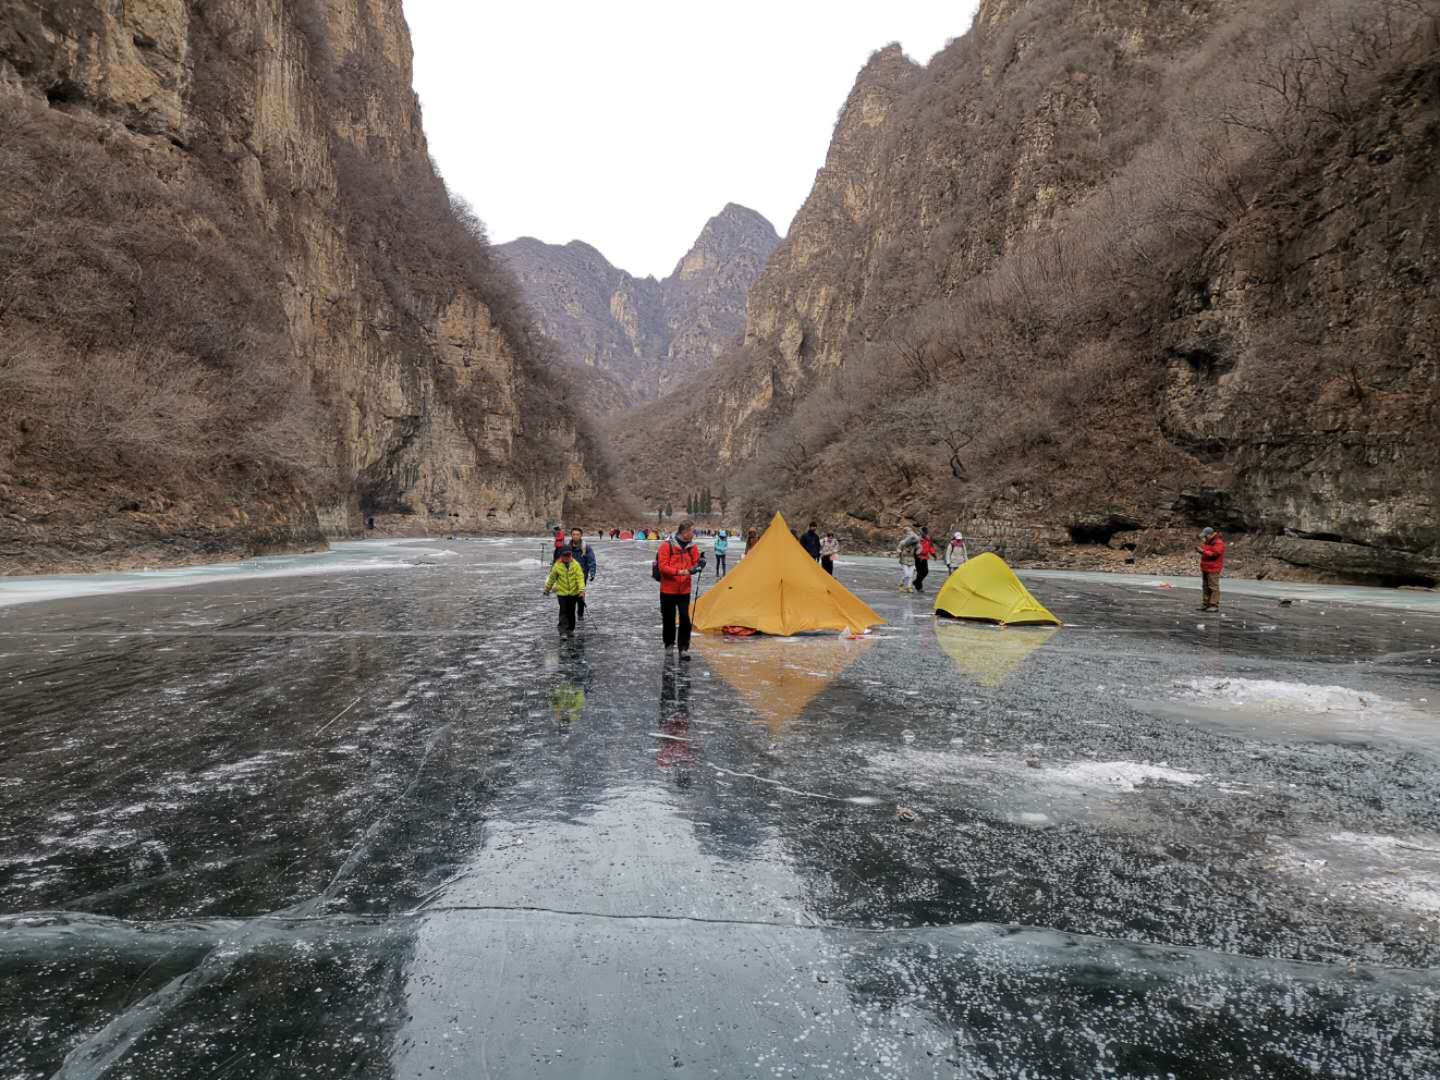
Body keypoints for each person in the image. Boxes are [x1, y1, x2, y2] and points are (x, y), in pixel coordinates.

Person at [658, 519, 704, 658]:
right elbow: (663, 567)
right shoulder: (666, 546)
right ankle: (669, 645)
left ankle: (684, 648)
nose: (694, 534)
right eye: (692, 531)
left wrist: (701, 563)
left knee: (685, 618)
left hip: (684, 589)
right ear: (684, 532)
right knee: (669, 618)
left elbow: (696, 563)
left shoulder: (692, 547)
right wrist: (680, 572)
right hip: (668, 589)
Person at [543, 546, 586, 636]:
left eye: (568, 555)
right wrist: (547, 589)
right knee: (563, 611)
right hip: (562, 593)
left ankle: (570, 629)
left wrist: (581, 590)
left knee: (571, 611)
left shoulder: (576, 565)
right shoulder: (557, 566)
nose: (567, 557)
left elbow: (580, 578)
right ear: (561, 556)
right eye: (565, 555)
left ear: (571, 555)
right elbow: (551, 579)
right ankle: (563, 631)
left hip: (573, 593)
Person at [569, 528, 597, 619]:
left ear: (581, 536)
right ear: (571, 535)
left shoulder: (586, 547)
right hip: (568, 575)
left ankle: (580, 613)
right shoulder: (567, 547)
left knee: (580, 594)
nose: (575, 536)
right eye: (573, 534)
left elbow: (591, 560)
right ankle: (570, 613)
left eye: (577, 534)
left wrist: (592, 573)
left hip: (582, 575)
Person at [1198, 527, 1226, 613]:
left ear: (1210, 534)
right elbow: (1208, 553)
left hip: (1214, 568)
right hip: (1206, 567)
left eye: (1206, 536)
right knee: (1205, 586)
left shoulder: (1218, 543)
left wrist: (1203, 551)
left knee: (1213, 587)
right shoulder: (1208, 542)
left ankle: (1214, 605)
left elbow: (1215, 554)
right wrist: (1201, 551)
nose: (1205, 538)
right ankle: (1206, 604)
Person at [914, 527, 937, 594]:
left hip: (925, 557)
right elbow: (913, 547)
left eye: (926, 532)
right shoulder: (917, 539)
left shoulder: (928, 539)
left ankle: (916, 582)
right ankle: (919, 587)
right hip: (918, 557)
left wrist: (934, 555)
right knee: (920, 572)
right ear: (921, 532)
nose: (925, 534)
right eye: (924, 532)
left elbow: (931, 547)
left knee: (925, 571)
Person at [897, 527, 920, 592]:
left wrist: (918, 551)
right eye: (908, 533)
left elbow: (919, 547)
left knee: (911, 574)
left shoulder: (915, 543)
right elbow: (898, 548)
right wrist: (899, 551)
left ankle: (909, 587)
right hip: (904, 558)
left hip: (912, 559)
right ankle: (901, 584)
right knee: (907, 574)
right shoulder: (903, 542)